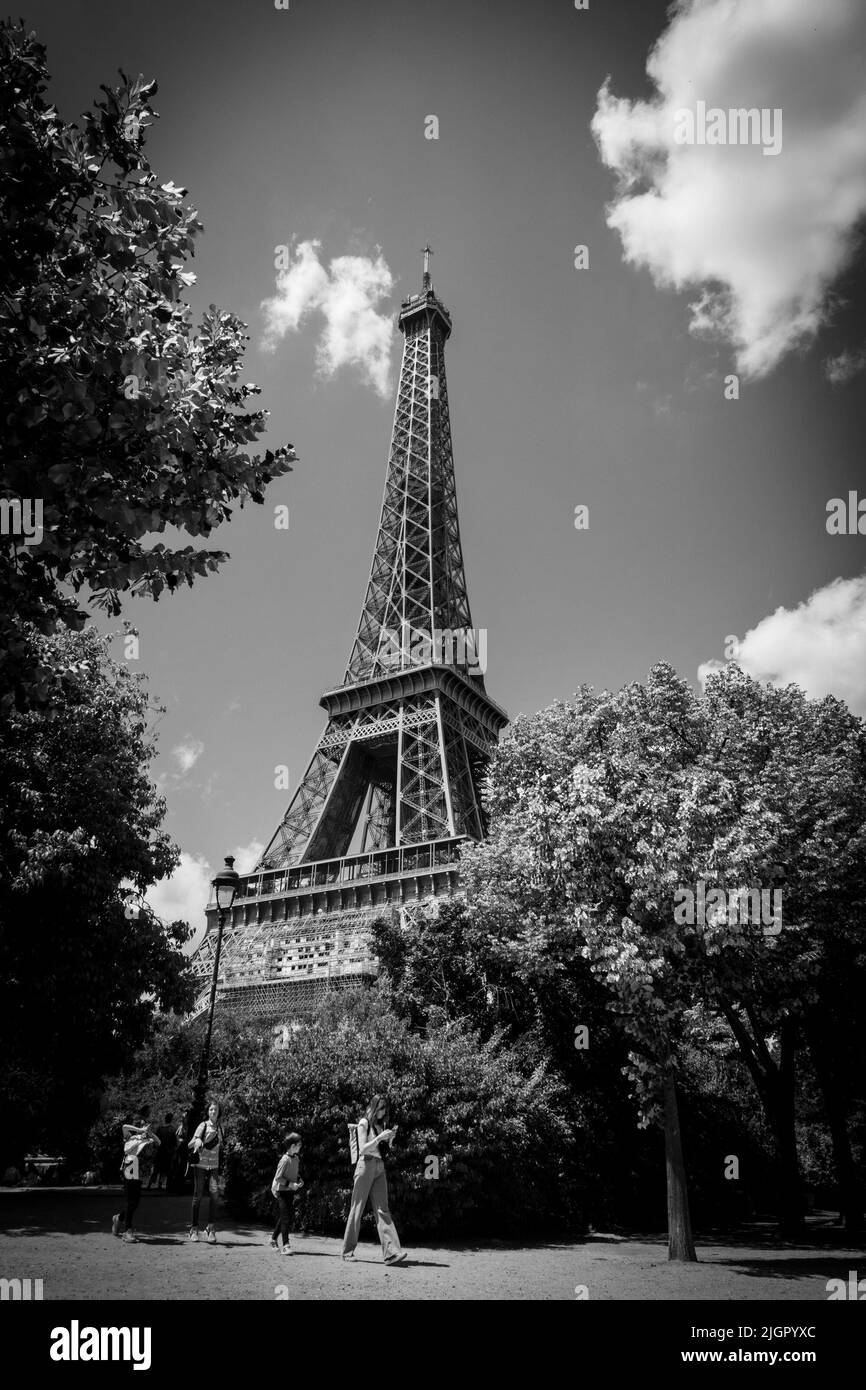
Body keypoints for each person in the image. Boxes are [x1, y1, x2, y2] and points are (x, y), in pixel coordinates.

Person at [341, 1093, 407, 1265]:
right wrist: (379, 1138)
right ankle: (347, 1251)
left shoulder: (380, 1125)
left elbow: (381, 1149)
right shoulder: (364, 1123)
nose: (384, 1112)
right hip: (365, 1166)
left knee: (383, 1209)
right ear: (374, 1106)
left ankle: (391, 1253)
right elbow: (363, 1149)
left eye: (385, 1108)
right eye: (381, 1108)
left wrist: (389, 1139)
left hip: (379, 1166)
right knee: (357, 1209)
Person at [112, 1109, 160, 1243]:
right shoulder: (130, 1137)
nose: (145, 1127)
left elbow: (159, 1143)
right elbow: (124, 1127)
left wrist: (149, 1133)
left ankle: (119, 1218)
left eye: (146, 1125)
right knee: (130, 1200)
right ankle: (128, 1231)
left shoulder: (148, 1139)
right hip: (130, 1166)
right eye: (143, 1124)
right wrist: (140, 1130)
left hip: (140, 1171)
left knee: (135, 1202)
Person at [188, 1100, 224, 1244]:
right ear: (208, 1112)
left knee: (214, 1196)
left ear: (219, 1112)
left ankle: (210, 1228)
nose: (213, 1112)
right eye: (211, 1110)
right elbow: (190, 1143)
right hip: (200, 1166)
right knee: (198, 1196)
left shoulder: (221, 1128)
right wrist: (197, 1142)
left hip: (214, 1167)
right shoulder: (202, 1126)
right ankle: (193, 1229)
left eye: (215, 1110)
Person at [269, 1132, 304, 1255]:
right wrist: (290, 1184)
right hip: (281, 1192)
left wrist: (299, 1180)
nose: (300, 1146)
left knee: (285, 1216)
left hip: (290, 1192)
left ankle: (273, 1239)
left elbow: (294, 1173)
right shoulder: (284, 1160)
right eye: (299, 1144)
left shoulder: (296, 1158)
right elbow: (278, 1177)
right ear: (293, 1146)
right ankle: (286, 1245)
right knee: (286, 1218)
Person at [148, 1112, 177, 1190]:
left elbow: (156, 1140)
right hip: (167, 1152)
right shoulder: (172, 1129)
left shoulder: (160, 1128)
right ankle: (159, 1185)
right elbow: (174, 1143)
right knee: (164, 1170)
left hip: (160, 1151)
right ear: (171, 1119)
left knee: (156, 1169)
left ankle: (149, 1185)